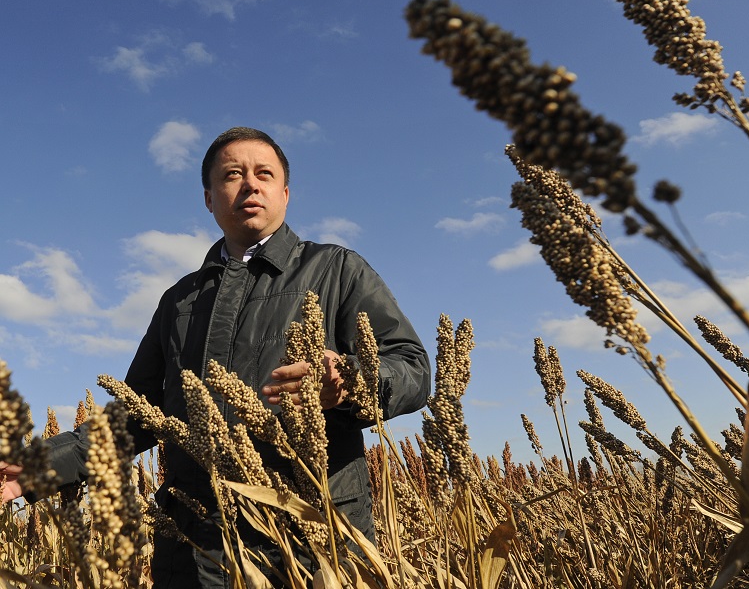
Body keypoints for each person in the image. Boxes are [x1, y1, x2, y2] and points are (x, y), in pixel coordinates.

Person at [0, 127, 431, 587]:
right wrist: (41, 465)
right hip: (196, 544)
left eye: (264, 174)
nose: (250, 184)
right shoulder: (180, 299)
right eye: (232, 174)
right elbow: (138, 415)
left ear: (285, 194)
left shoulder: (337, 270)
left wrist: (350, 380)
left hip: (308, 539)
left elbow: (413, 367)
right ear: (209, 198)